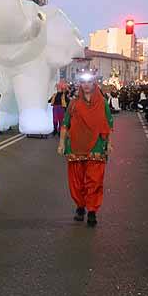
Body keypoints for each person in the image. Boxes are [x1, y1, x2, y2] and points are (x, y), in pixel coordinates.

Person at [58, 74, 113, 227]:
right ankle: (80, 207)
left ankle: (92, 211)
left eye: (89, 82)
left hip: (97, 146)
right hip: (75, 147)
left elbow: (108, 124)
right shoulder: (74, 103)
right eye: (83, 82)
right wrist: (62, 143)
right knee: (77, 182)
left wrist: (109, 143)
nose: (86, 85)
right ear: (80, 84)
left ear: (94, 84)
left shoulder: (102, 103)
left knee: (94, 181)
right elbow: (65, 124)